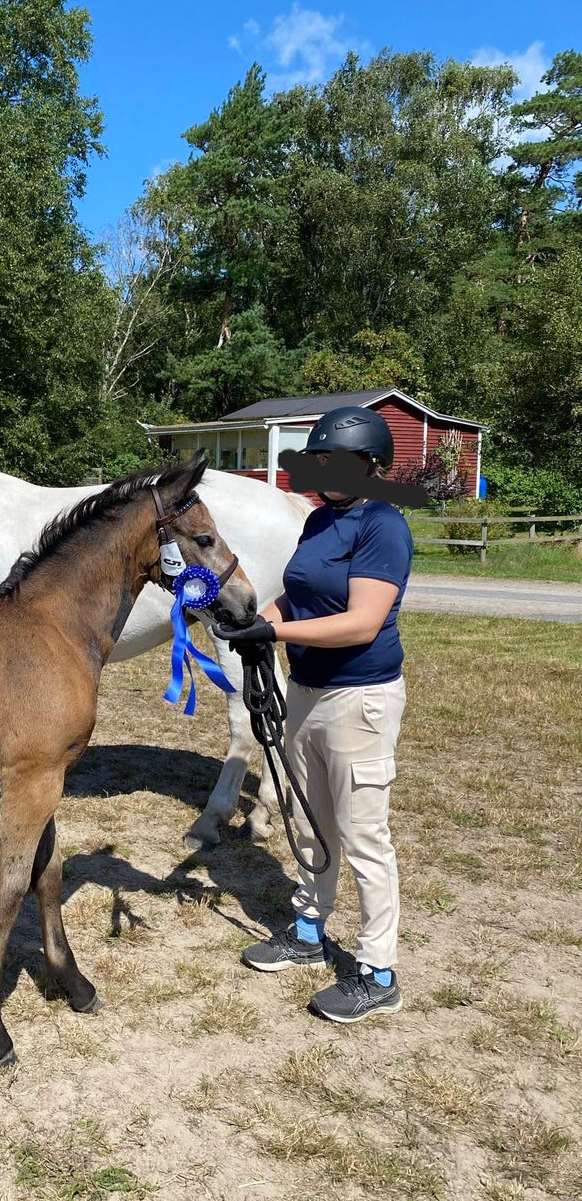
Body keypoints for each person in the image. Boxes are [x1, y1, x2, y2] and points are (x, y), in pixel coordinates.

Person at [219, 407, 414, 1023]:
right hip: (304, 690)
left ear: (367, 465)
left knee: (363, 835)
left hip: (359, 698)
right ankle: (307, 930)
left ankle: (378, 971)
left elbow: (362, 620)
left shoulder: (383, 526)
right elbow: (294, 595)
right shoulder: (320, 521)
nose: (322, 469)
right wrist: (260, 622)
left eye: (333, 460)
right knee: (309, 822)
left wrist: (276, 636)